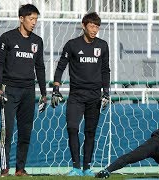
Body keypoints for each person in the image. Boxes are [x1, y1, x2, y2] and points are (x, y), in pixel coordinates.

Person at [51, 12, 110, 176]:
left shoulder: (103, 46)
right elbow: (61, 66)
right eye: (92, 26)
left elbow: (105, 70)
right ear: (84, 26)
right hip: (76, 95)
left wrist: (106, 93)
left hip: (94, 96)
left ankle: (87, 167)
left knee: (90, 132)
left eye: (97, 26)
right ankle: (76, 167)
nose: (95, 30)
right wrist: (56, 88)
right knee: (72, 128)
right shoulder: (72, 45)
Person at [0, 4, 47, 176]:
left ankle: (20, 168)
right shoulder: (7, 38)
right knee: (7, 131)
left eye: (36, 19)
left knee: (25, 132)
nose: (34, 23)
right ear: (21, 18)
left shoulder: (37, 41)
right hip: (9, 89)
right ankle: (4, 169)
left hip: (28, 91)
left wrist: (44, 93)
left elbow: (40, 68)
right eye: (31, 19)